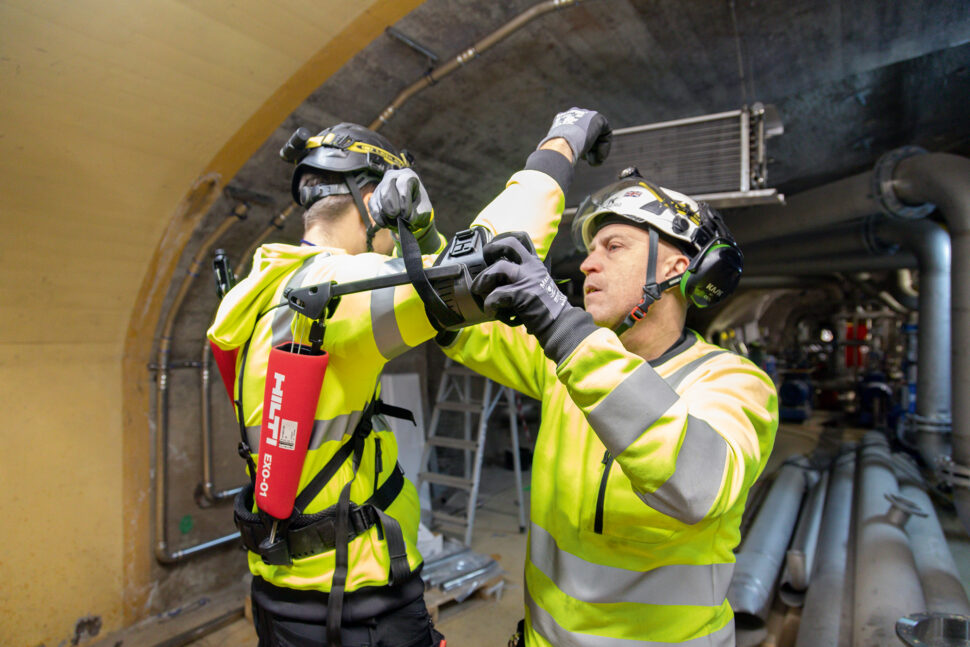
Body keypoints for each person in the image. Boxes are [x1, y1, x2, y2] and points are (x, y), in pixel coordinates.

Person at [206, 111, 611, 646]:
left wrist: (423, 236)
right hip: (354, 609)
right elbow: (490, 264)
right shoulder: (338, 293)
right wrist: (561, 143)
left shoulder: (262, 287)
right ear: (375, 201)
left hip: (285, 597)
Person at [437, 171, 779, 646]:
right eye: (591, 249)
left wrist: (564, 329)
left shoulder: (734, 382)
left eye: (613, 247)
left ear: (676, 268)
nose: (586, 266)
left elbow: (698, 485)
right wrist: (414, 238)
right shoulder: (565, 365)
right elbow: (464, 326)